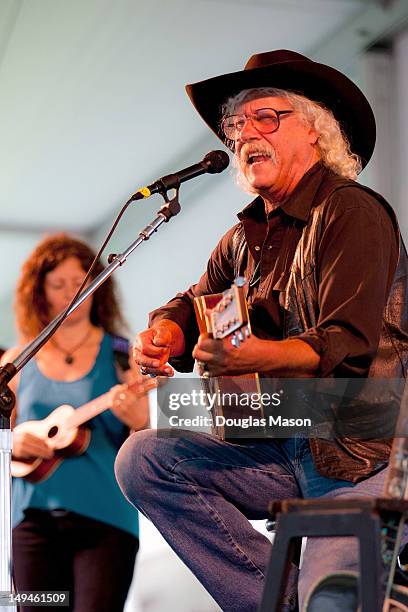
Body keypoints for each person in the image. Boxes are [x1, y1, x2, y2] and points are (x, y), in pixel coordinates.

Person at [114, 50, 408, 611]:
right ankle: (275, 602)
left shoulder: (352, 210)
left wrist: (254, 354)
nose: (244, 133)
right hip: (284, 436)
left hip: (365, 444)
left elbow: (346, 348)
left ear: (317, 132)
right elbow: (194, 299)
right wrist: (168, 332)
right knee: (146, 457)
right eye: (234, 125)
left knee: (334, 603)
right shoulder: (244, 236)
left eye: (264, 117)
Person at [3, 233, 150, 612]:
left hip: (107, 522)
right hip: (30, 525)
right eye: (59, 285)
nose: (71, 293)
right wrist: (12, 443)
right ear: (40, 292)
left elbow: (146, 438)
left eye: (80, 282)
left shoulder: (122, 354)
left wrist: (137, 419)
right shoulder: (16, 361)